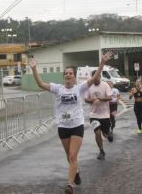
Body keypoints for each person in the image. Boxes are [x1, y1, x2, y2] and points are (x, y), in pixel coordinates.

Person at [29, 52, 113, 194]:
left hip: (77, 126)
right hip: (63, 127)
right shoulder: (58, 88)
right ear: (64, 76)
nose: (68, 75)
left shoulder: (79, 88)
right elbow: (40, 84)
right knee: (69, 156)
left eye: (70, 73)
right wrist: (34, 69)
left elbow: (93, 78)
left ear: (74, 76)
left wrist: (102, 63)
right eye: (66, 73)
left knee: (73, 155)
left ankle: (70, 185)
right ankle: (77, 172)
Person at [85, 70, 113, 161]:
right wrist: (91, 100)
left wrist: (101, 99)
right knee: (97, 132)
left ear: (100, 77)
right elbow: (86, 99)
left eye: (97, 77)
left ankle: (108, 134)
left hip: (104, 115)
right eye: (94, 77)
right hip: (93, 114)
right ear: (92, 77)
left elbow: (110, 97)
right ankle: (101, 151)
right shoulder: (89, 86)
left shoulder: (105, 85)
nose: (96, 79)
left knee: (104, 134)